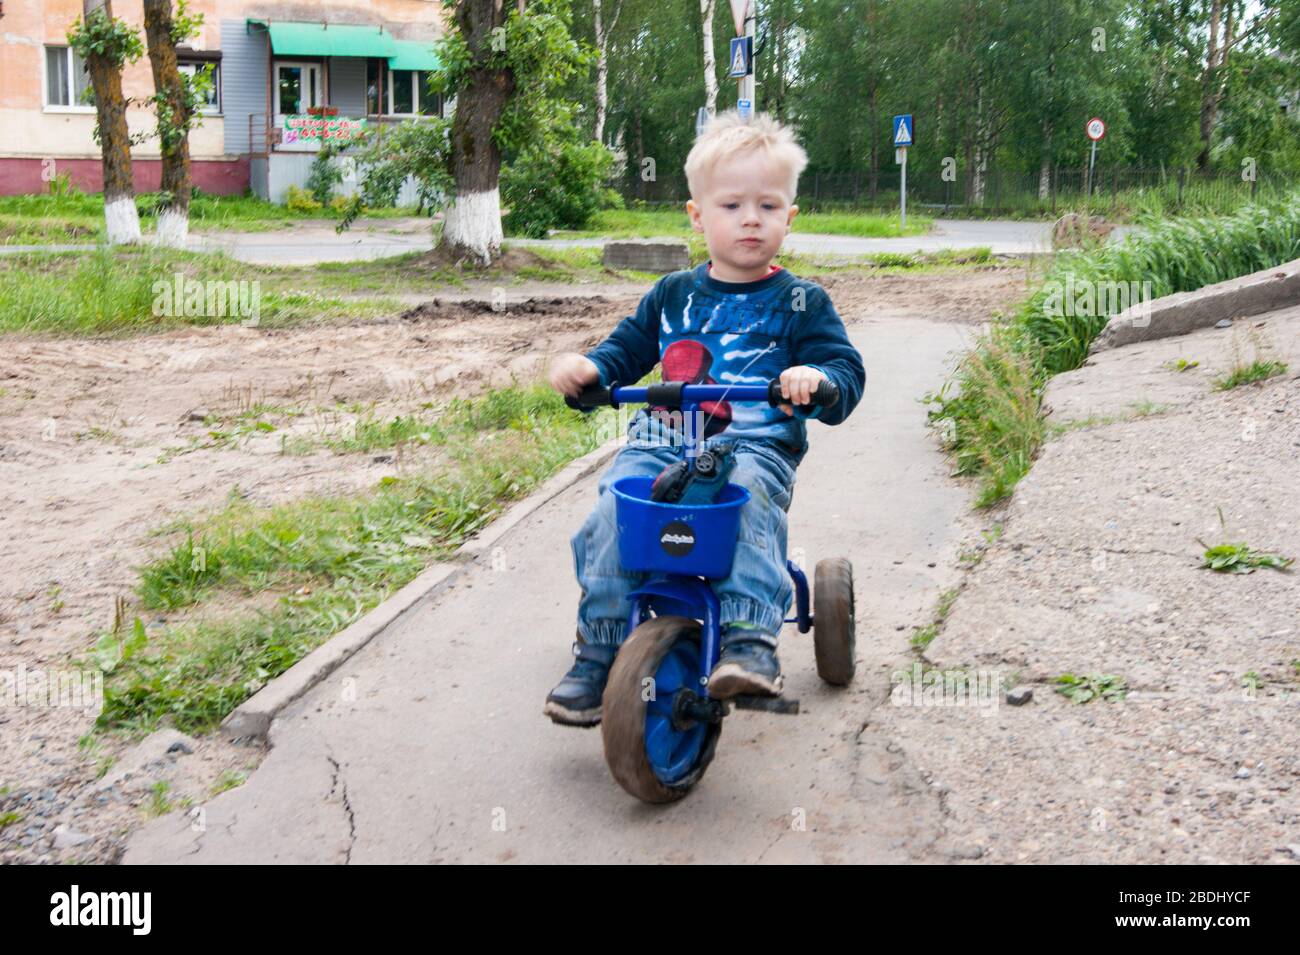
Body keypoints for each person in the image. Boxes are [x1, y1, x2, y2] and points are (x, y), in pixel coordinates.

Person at [544, 109, 866, 726]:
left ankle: (748, 643)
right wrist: (590, 370)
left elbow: (843, 372)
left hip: (755, 448)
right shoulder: (672, 294)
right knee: (614, 505)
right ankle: (599, 649)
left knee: (743, 499)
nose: (751, 219)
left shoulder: (802, 301)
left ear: (789, 218)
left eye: (769, 206)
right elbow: (625, 351)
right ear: (697, 215)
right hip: (664, 442)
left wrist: (817, 380)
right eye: (731, 206)